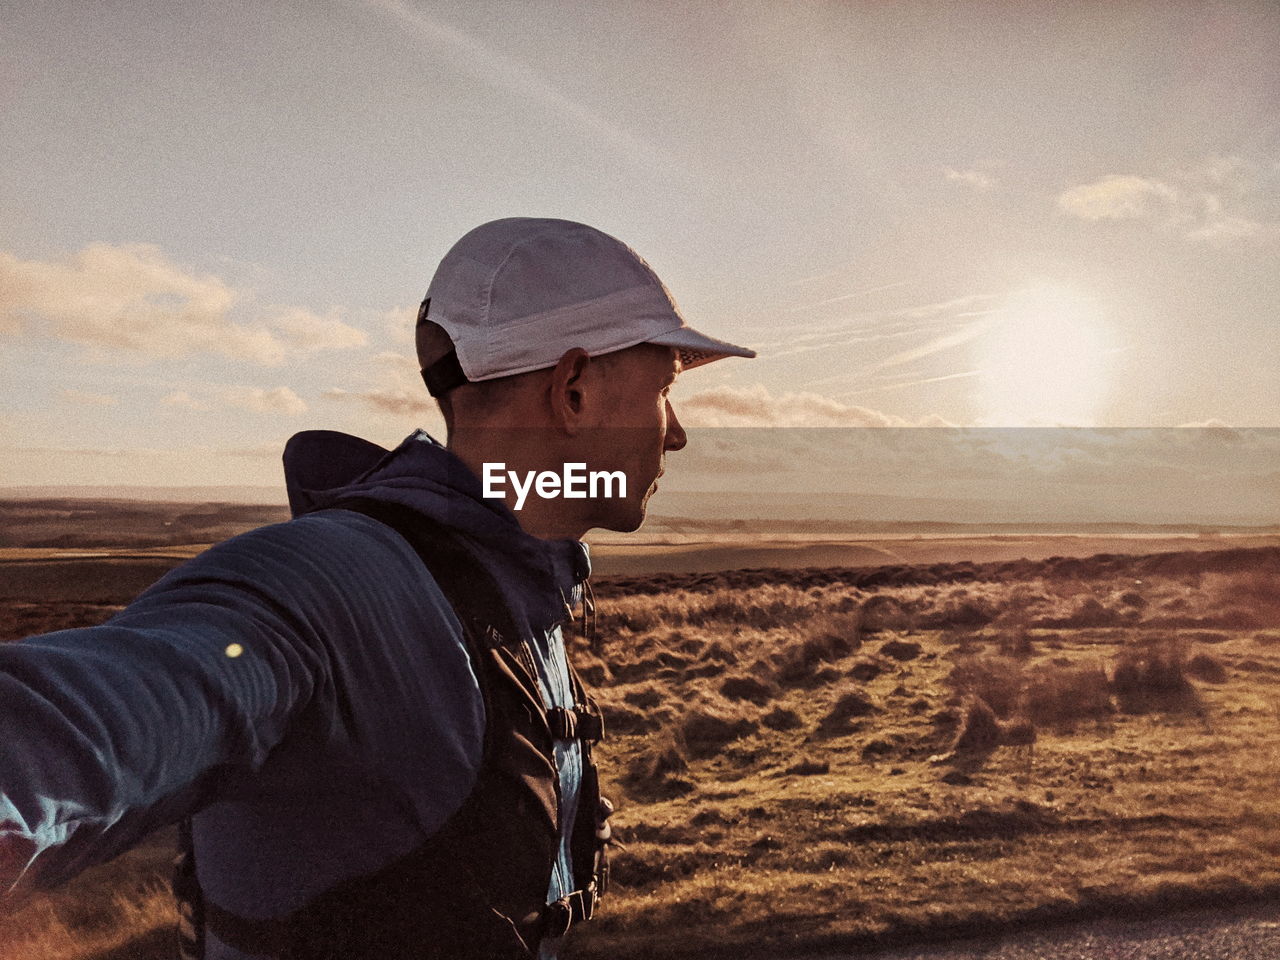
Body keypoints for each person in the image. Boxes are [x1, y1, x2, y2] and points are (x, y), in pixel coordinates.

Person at [0, 217, 755, 959]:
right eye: (665, 389)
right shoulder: (329, 588)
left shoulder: (514, 588)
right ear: (574, 392)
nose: (677, 431)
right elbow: (62, 734)